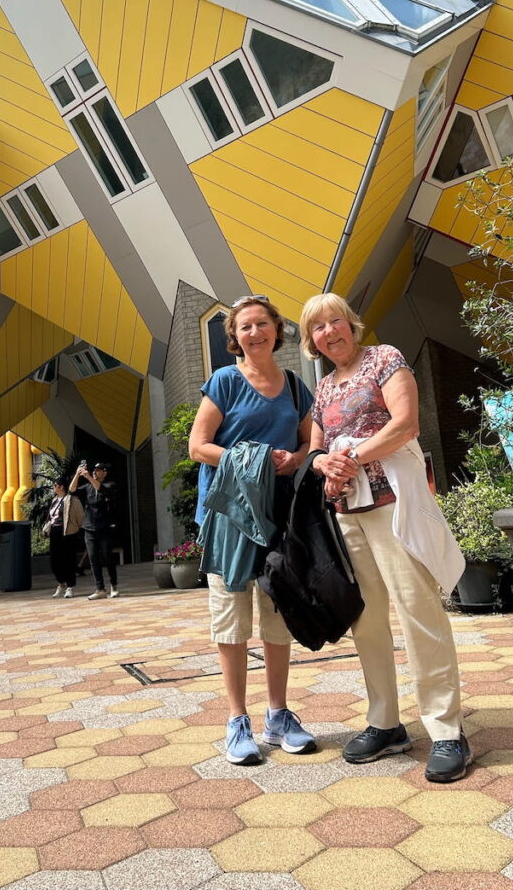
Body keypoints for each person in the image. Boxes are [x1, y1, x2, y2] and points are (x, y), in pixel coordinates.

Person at [299, 292, 471, 783]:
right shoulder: (324, 388)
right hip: (347, 514)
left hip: (393, 505)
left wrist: (350, 458)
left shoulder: (385, 358)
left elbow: (406, 425)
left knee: (419, 611)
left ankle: (445, 730)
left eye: (336, 321)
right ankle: (385, 722)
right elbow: (314, 450)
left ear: (352, 324)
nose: (330, 331)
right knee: (367, 620)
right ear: (312, 341)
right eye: (318, 327)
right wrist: (321, 463)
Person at [188, 294, 316, 765]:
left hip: (279, 518)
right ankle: (237, 720)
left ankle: (279, 714)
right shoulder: (224, 381)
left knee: (277, 614)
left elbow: (308, 441)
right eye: (245, 327)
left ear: (276, 330)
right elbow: (199, 447)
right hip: (230, 520)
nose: (255, 332)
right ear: (234, 338)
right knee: (232, 619)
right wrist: (257, 458)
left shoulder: (295, 387)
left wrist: (297, 458)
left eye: (263, 323)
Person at [69, 462, 119, 600]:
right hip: (89, 528)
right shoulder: (87, 487)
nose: (95, 472)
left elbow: (101, 489)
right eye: (94, 471)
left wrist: (89, 478)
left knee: (107, 557)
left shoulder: (110, 485)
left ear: (105, 473)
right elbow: (72, 490)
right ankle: (100, 589)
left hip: (105, 528)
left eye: (98, 470)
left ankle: (114, 585)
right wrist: (77, 474)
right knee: (93, 559)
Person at [47, 478, 85, 598]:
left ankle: (70, 586)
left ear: (61, 486)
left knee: (68, 560)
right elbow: (50, 517)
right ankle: (61, 583)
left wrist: (76, 529)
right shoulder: (54, 500)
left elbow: (80, 516)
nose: (53, 487)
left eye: (55, 485)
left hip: (68, 532)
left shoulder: (71, 499)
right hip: (54, 532)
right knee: (54, 561)